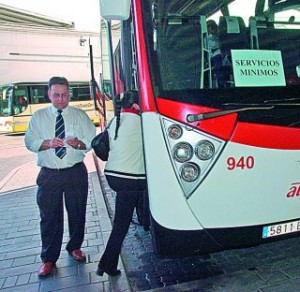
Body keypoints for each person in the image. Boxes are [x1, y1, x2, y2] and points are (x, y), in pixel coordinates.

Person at [24, 76, 96, 277]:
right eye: (56, 95)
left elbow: (91, 140)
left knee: (77, 212)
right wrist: (47, 143)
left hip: (75, 172)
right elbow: (30, 141)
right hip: (49, 174)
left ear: (69, 94)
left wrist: (79, 144)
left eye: (65, 95)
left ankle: (75, 247)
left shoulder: (80, 115)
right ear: (49, 94)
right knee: (49, 217)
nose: (61, 99)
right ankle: (48, 259)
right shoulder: (39, 117)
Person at [96, 90, 148, 277]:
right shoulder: (143, 123)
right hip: (131, 178)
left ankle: (108, 265)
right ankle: (105, 265)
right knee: (121, 225)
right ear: (136, 105)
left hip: (113, 176)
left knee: (122, 222)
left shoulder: (115, 122)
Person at [207, 19, 225, 88]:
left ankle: (221, 84)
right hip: (209, 55)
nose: (211, 28)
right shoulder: (205, 36)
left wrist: (215, 33)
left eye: (212, 26)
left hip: (219, 53)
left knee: (218, 62)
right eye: (209, 26)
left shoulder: (220, 34)